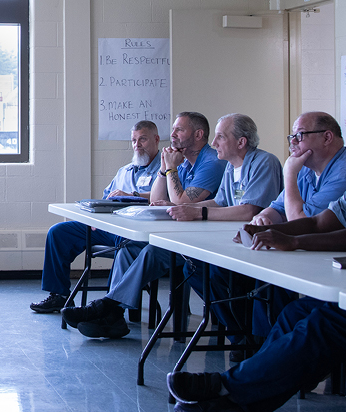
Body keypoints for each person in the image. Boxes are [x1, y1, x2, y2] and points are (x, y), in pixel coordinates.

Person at [167, 120, 346, 412]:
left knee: (322, 323)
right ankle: (239, 402)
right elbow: (322, 222)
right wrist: (272, 230)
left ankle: (231, 390)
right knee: (295, 313)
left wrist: (293, 241)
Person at [62, 111, 227, 338]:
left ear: (198, 134)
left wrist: (169, 169)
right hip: (176, 233)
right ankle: (114, 316)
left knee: (147, 251)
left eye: (179, 129)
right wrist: (163, 168)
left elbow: (183, 202)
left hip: (198, 239)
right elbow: (156, 199)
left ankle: (106, 309)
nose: (173, 134)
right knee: (128, 249)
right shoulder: (184, 162)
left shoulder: (211, 162)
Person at [162, 114, 283, 341]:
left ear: (241, 142)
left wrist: (197, 212)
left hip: (258, 245)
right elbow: (221, 202)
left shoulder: (264, 162)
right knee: (194, 268)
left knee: (216, 273)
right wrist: (180, 207)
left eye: (220, 137)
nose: (214, 143)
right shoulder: (231, 166)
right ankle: (239, 333)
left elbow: (250, 210)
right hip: (233, 240)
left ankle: (248, 337)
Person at [30, 120, 162, 313]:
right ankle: (59, 295)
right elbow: (105, 199)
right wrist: (95, 219)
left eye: (142, 139)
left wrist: (133, 195)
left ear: (156, 140)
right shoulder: (124, 171)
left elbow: (163, 199)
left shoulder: (165, 170)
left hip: (134, 231)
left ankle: (108, 307)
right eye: (133, 140)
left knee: (125, 246)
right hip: (110, 226)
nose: (137, 145)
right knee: (58, 232)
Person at [243, 112, 346, 334]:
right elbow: (277, 208)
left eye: (300, 135)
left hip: (336, 258)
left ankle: (270, 350)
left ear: (327, 137)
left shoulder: (345, 172)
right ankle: (260, 346)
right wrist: (261, 219)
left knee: (273, 281)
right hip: (309, 252)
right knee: (263, 275)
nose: (293, 142)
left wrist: (289, 174)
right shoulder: (307, 167)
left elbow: (301, 223)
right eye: (292, 136)